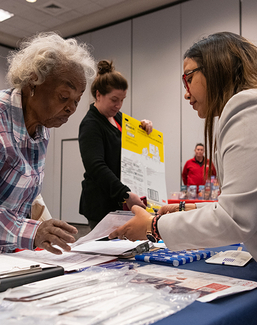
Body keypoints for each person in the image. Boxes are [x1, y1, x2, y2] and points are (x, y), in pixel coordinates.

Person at [109, 32, 257, 262]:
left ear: (217, 68)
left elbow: (234, 219)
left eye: (188, 78)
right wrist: (185, 210)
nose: (186, 93)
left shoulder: (246, 108)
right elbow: (246, 207)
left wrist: (154, 226)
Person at [0, 32, 96, 255]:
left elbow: (29, 199)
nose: (71, 109)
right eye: (64, 97)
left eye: (76, 100)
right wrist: (33, 232)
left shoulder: (41, 128)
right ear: (33, 82)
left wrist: (49, 231)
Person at [79, 60, 153, 229]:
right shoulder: (91, 124)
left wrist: (145, 128)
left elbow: (133, 147)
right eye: (114, 99)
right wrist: (125, 193)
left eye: (122, 100)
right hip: (102, 205)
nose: (118, 105)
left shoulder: (119, 118)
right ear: (98, 95)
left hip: (121, 200)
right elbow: (96, 166)